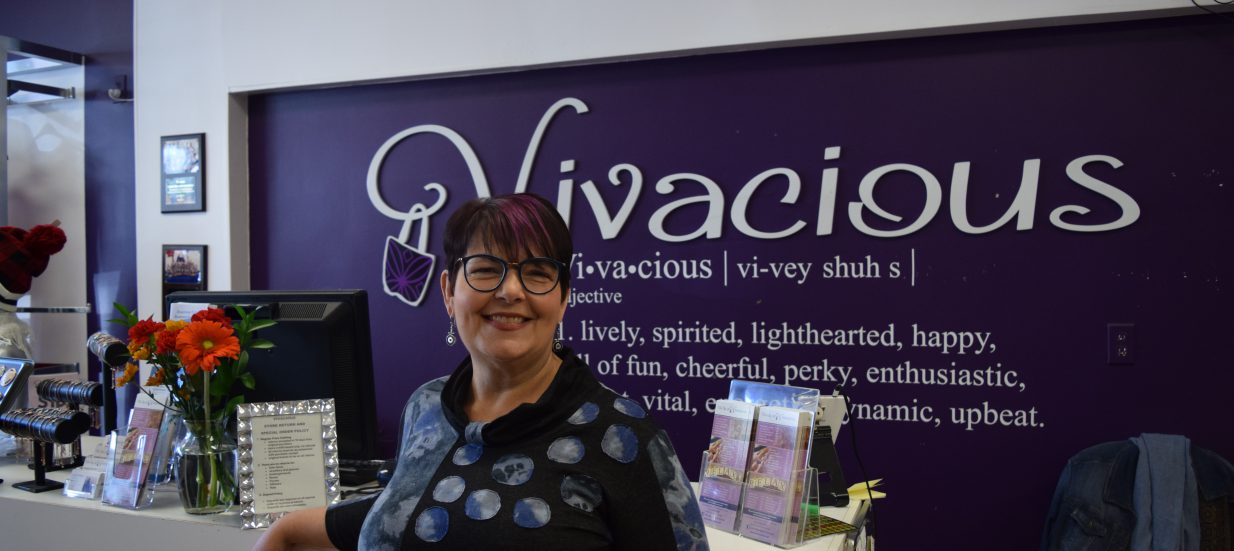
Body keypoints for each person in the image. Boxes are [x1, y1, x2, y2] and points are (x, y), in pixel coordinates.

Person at [254, 193, 709, 550]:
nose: (510, 291)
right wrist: (286, 532)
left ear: (564, 297)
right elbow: (410, 506)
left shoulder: (624, 438)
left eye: (537, 272)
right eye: (487, 270)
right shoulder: (427, 407)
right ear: (449, 291)